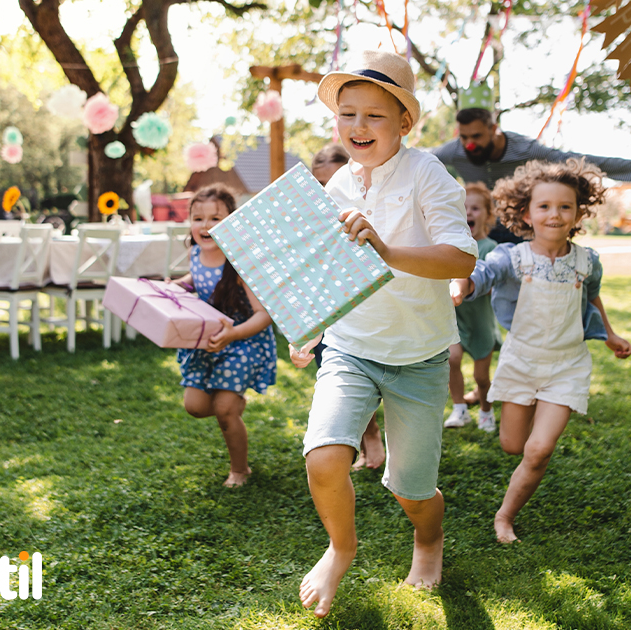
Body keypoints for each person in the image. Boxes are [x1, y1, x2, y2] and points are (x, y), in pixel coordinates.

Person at [292, 50, 478, 617]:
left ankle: (428, 538)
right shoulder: (336, 185)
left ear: (404, 123)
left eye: (374, 115)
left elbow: (462, 258)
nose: (358, 127)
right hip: (349, 346)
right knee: (324, 457)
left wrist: (389, 250)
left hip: (418, 356)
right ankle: (340, 549)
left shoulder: (427, 174)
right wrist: (309, 327)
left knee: (410, 490)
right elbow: (328, 269)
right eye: (347, 114)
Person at [452, 159, 631, 544]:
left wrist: (610, 335)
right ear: (525, 212)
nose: (555, 214)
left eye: (565, 206)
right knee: (512, 445)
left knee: (537, 450)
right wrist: (463, 284)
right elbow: (482, 275)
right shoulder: (511, 258)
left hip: (567, 365)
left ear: (579, 212)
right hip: (520, 361)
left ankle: (505, 517)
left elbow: (592, 298)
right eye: (544, 206)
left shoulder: (588, 262)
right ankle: (534, 416)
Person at [431, 108, 631, 243]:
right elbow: (420, 159)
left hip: (519, 226)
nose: (469, 144)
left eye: (476, 136)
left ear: (494, 129)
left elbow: (579, 160)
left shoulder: (525, 149)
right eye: (464, 137)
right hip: (480, 228)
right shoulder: (455, 150)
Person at [173, 184, 277, 488]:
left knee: (223, 410)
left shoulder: (241, 263)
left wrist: (234, 335)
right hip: (211, 341)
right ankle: (232, 404)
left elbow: (263, 314)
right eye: (198, 218)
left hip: (243, 340)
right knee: (195, 406)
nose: (205, 226)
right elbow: (197, 278)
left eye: (216, 218)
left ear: (232, 221)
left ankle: (240, 469)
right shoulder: (195, 254)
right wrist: (176, 286)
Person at [307, 144, 386, 470]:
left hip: (369, 309)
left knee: (373, 374)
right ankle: (366, 436)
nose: (327, 193)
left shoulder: (365, 213)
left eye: (332, 183)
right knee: (336, 372)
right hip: (327, 312)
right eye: (319, 185)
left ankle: (380, 434)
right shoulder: (309, 222)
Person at [444, 182, 499, 432]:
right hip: (455, 320)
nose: (468, 213)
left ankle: (486, 411)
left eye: (475, 208)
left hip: (481, 323)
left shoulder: (491, 249)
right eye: (463, 208)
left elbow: (489, 280)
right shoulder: (449, 248)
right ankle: (459, 409)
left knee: (481, 377)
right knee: (451, 360)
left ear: (488, 215)